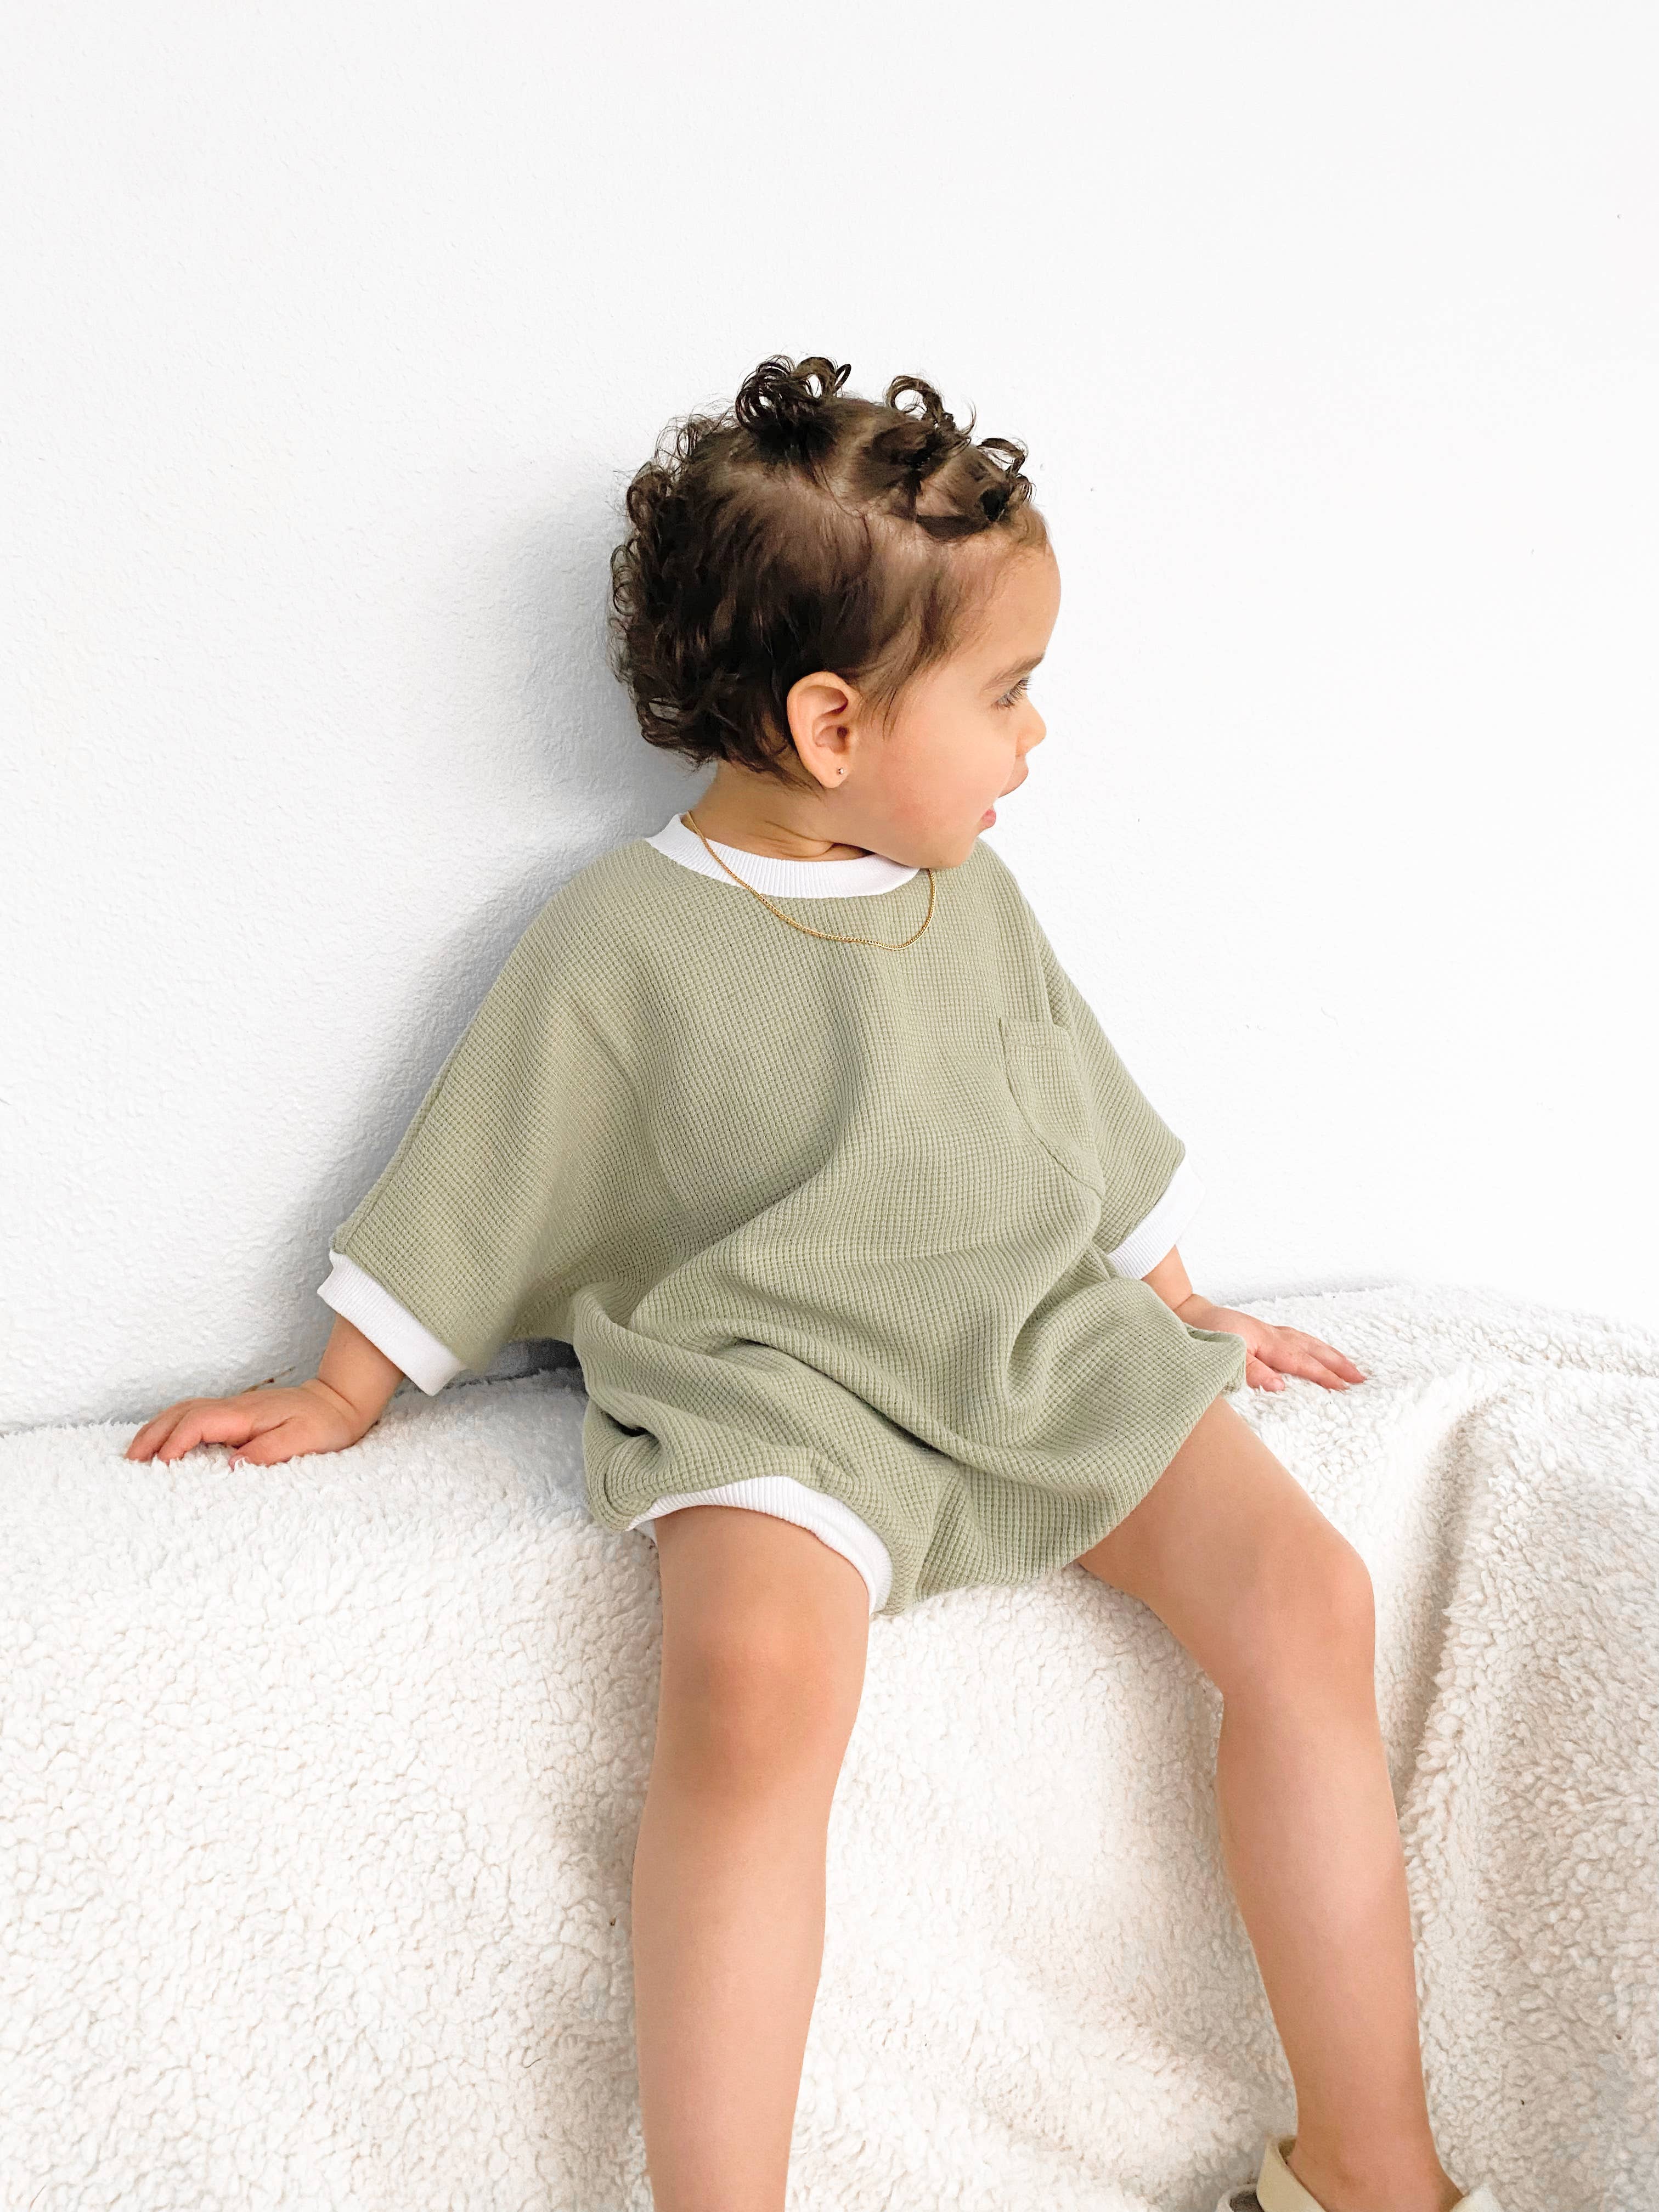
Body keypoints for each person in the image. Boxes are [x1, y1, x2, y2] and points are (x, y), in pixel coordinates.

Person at [124, 356, 1508, 2212]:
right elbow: (490, 1160)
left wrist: (1180, 1300)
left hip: (1028, 1334)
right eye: (1006, 693)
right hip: (770, 1382)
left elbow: (1078, 1109)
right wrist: (342, 1386)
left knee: (1310, 1596)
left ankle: (1369, 2161)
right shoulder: (621, 936)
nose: (1038, 737)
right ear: (834, 724)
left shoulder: (973, 895)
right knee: (756, 1687)